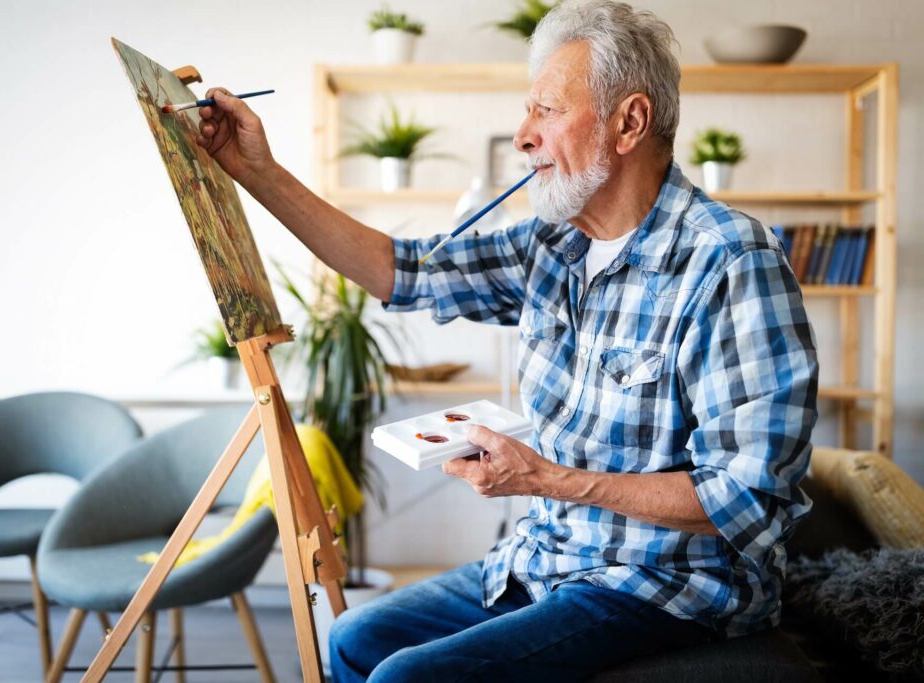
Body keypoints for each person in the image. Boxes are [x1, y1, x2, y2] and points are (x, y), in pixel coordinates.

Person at [197, 1, 819, 679]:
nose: (523, 135)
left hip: (666, 585)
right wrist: (256, 171)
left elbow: (751, 498)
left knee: (404, 676)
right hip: (548, 555)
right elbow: (400, 270)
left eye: (546, 111)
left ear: (630, 122)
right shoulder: (554, 244)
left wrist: (547, 478)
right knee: (350, 638)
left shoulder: (730, 260)